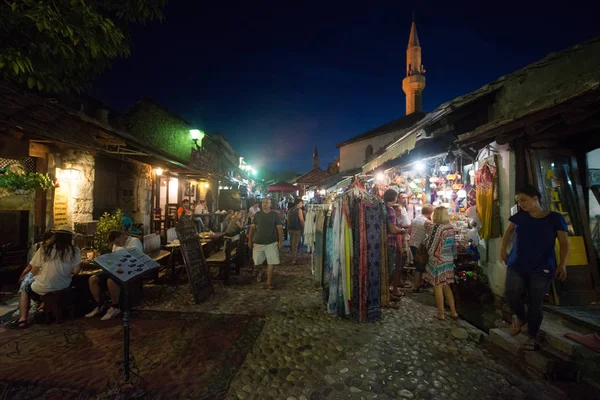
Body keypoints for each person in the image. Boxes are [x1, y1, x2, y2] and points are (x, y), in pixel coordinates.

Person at [501, 185, 569, 351]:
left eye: (524, 200)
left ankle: (532, 335)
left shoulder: (555, 218)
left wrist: (562, 264)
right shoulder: (519, 217)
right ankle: (521, 317)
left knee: (535, 301)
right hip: (516, 263)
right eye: (519, 201)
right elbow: (508, 233)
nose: (521, 204)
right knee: (510, 294)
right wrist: (503, 250)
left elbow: (564, 243)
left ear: (535, 198)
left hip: (542, 267)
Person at [6, 226, 81, 329]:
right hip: (63, 286)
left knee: (25, 289)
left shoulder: (45, 248)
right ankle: (42, 309)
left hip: (43, 287)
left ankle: (22, 319)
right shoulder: (75, 250)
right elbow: (76, 271)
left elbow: (34, 270)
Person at [86, 230, 143, 321]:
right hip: (116, 268)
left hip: (129, 269)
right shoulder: (116, 245)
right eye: (115, 244)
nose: (117, 245)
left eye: (117, 242)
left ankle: (115, 306)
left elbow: (134, 258)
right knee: (93, 279)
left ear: (122, 236)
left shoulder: (134, 242)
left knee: (111, 281)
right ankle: (100, 304)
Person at [425, 206, 458, 320]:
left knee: (438, 286)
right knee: (446, 285)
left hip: (438, 260)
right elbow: (454, 246)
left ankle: (441, 313)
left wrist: (430, 255)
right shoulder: (450, 228)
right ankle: (453, 312)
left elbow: (431, 244)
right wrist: (453, 256)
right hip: (448, 260)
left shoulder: (436, 227)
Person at [248, 198, 283, 290]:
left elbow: (279, 228)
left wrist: (280, 241)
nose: (265, 204)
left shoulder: (274, 215)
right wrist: (250, 240)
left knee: (271, 262)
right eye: (263, 202)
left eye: (267, 202)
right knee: (257, 262)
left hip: (271, 242)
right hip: (258, 242)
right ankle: (260, 271)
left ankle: (269, 282)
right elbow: (252, 228)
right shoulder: (257, 215)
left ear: (270, 204)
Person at [384, 189, 408, 299]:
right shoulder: (390, 210)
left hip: (383, 242)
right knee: (390, 269)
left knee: (386, 269)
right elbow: (393, 229)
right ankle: (387, 295)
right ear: (394, 198)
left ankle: (386, 293)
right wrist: (402, 231)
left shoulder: (382, 207)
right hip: (390, 243)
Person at [409, 204, 434, 293]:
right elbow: (431, 235)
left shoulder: (415, 219)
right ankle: (416, 286)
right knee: (420, 266)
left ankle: (419, 284)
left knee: (418, 265)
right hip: (420, 246)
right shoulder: (427, 222)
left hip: (412, 244)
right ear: (431, 213)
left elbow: (409, 231)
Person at [286, 199, 305, 265]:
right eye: (301, 203)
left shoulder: (290, 210)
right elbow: (301, 220)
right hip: (297, 229)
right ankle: (293, 259)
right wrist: (303, 227)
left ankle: (292, 256)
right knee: (295, 244)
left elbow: (287, 218)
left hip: (290, 228)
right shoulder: (299, 210)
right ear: (298, 203)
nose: (302, 204)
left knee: (292, 243)